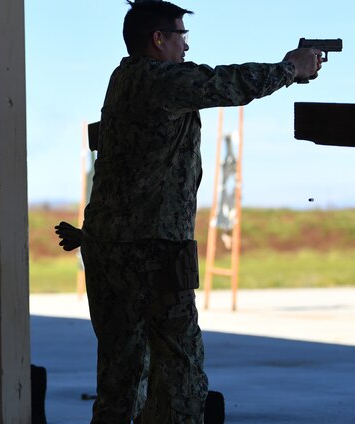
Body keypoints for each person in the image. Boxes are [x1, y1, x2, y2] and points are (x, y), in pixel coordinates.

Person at [67, 1, 324, 422]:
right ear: (158, 39)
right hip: (154, 250)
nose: (186, 46)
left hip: (108, 246)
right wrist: (290, 68)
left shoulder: (123, 79)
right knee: (180, 371)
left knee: (120, 372)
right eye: (181, 36)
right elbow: (228, 83)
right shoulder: (162, 80)